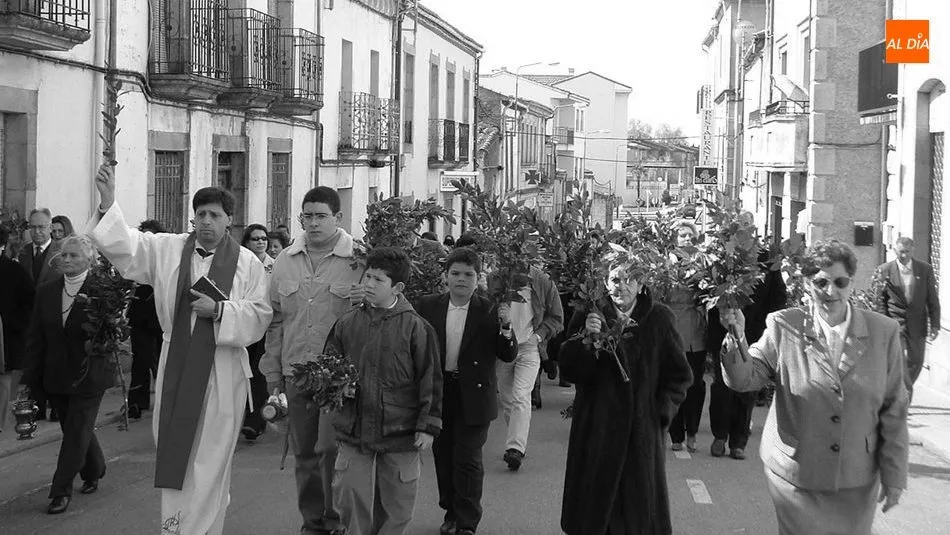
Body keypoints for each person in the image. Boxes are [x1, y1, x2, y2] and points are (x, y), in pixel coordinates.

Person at [87, 164, 272, 534]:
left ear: (229, 220)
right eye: (200, 214)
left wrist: (220, 311)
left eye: (214, 215)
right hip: (176, 361)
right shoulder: (168, 249)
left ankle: (202, 528)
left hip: (222, 369)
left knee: (212, 458)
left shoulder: (248, 263)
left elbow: (260, 314)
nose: (206, 221)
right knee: (178, 453)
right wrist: (108, 202)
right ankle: (174, 527)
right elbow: (126, 246)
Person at [719, 240, 908, 535]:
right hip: (796, 477)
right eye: (820, 282)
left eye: (839, 282)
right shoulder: (783, 326)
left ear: (851, 284)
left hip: (855, 480)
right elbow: (745, 379)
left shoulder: (884, 333)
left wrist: (895, 475)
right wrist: (736, 336)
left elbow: (894, 409)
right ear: (807, 284)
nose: (830, 291)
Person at [559, 258, 692, 535]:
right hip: (597, 428)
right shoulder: (589, 314)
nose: (622, 286)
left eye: (629, 279)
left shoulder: (660, 319)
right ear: (605, 282)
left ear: (641, 283)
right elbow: (570, 370)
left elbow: (679, 376)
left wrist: (659, 414)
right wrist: (587, 339)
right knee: (596, 514)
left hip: (640, 432)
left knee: (638, 515)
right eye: (615, 279)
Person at [260, 187, 364, 535]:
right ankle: (313, 522)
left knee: (332, 452)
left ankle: (338, 520)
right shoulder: (286, 260)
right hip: (297, 373)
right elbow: (275, 321)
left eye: (321, 216)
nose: (313, 222)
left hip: (340, 378)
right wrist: (272, 372)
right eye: (307, 215)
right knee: (304, 453)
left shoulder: (359, 261)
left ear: (338, 218)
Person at [325, 247, 442, 535]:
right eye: (367, 276)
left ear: (397, 288)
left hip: (400, 429)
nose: (369, 284)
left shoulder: (416, 328)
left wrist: (427, 426)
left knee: (398, 502)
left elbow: (431, 379)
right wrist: (332, 388)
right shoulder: (347, 323)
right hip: (354, 426)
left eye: (378, 280)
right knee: (350, 492)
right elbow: (328, 364)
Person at [416, 248, 518, 535]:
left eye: (469, 275)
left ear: (478, 278)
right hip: (439, 392)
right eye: (455, 273)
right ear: (445, 276)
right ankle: (450, 510)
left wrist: (506, 326)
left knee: (468, 458)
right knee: (444, 454)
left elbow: (508, 354)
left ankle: (467, 522)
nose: (461, 279)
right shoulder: (428, 305)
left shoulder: (489, 309)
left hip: (474, 394)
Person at [19, 235, 113, 514]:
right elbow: (36, 337)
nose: (67, 260)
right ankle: (94, 468)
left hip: (89, 374)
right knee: (75, 429)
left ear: (88, 260)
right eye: (64, 255)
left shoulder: (101, 290)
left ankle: (60, 491)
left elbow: (110, 334)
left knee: (75, 432)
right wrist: (30, 379)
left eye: (74, 255)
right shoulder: (47, 290)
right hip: (56, 374)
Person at [706, 247, 786, 460]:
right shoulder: (722, 257)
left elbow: (779, 297)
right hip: (723, 330)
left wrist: (760, 324)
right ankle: (720, 436)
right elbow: (708, 295)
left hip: (755, 333)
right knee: (722, 386)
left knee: (747, 390)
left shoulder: (767, 261)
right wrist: (724, 314)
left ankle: (738, 442)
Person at [495, 264, 563, 471]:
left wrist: (539, 336)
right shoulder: (496, 278)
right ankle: (517, 440)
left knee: (520, 395)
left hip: (529, 348)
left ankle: (515, 448)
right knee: (507, 398)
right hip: (503, 347)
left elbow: (557, 316)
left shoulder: (543, 281)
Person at [877, 236, 941, 401]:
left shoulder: (924, 269)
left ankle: (900, 390)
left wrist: (935, 324)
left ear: (912, 250)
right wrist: (884, 322)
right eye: (900, 252)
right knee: (899, 361)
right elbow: (881, 300)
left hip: (918, 322)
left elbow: (932, 298)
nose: (903, 256)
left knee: (916, 361)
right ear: (895, 251)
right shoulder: (885, 270)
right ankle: (902, 398)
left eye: (906, 252)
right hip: (895, 322)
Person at [18, 208, 63, 421]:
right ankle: (37, 406)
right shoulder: (23, 252)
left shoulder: (61, 251)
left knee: (54, 362)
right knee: (34, 361)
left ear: (50, 227)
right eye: (33, 227)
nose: (37, 232)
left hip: (53, 317)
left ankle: (56, 406)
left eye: (41, 227)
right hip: (29, 319)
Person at [666, 220, 707, 453]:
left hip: (696, 334)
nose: (686, 239)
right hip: (673, 332)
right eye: (682, 235)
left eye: (690, 235)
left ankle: (692, 432)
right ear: (675, 239)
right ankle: (676, 436)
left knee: (695, 386)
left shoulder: (704, 263)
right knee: (673, 384)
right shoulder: (665, 264)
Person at [127, 219, 166, 420]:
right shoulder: (136, 259)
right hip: (140, 316)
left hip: (161, 316)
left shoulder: (166, 259)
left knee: (162, 361)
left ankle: (164, 402)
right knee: (140, 359)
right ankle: (136, 402)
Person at [239, 224, 274, 440]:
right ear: (246, 243)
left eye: (263, 238)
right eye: (255, 239)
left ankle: (255, 421)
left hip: (267, 328)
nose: (260, 242)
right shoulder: (239, 265)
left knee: (258, 374)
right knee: (242, 374)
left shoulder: (276, 266)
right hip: (243, 325)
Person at [0, 225, 35, 434]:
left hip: (4, 334)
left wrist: (11, 323)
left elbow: (29, 302)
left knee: (3, 380)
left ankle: (0, 424)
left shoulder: (14, 270)